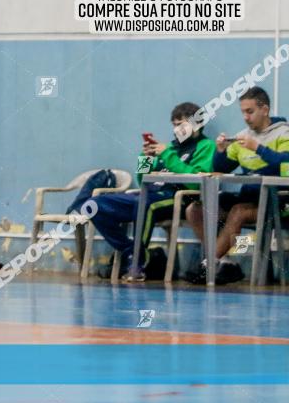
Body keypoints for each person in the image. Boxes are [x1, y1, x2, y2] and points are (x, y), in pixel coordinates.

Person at [88, 102, 215, 281]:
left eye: (182, 125)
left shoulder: (206, 146)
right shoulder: (169, 147)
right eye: (174, 125)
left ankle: (136, 262)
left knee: (147, 205)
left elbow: (195, 182)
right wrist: (145, 158)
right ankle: (133, 252)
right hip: (150, 194)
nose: (176, 130)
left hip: (177, 197)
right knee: (95, 205)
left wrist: (166, 156)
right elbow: (143, 181)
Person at [185, 87, 289, 285]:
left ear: (264, 110)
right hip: (248, 197)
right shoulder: (242, 136)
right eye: (243, 112)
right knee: (195, 209)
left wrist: (258, 148)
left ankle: (208, 265)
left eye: (250, 112)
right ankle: (225, 262)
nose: (246, 117)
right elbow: (220, 168)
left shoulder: (283, 133)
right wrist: (221, 151)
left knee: (238, 212)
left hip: (278, 201)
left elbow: (285, 163)